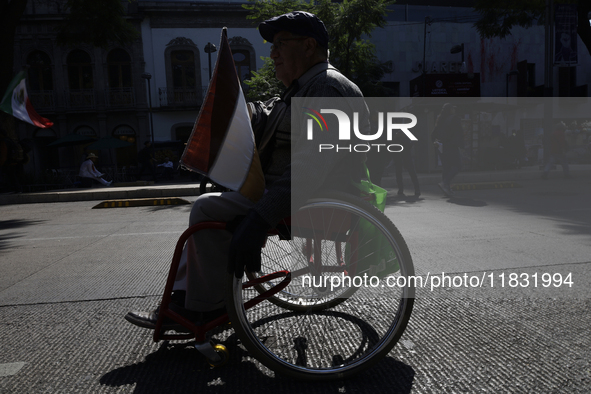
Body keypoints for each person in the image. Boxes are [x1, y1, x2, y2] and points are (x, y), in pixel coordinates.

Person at [125, 11, 369, 330]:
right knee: (214, 207)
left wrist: (260, 216)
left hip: (316, 201)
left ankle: (202, 309)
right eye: (272, 45)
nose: (273, 52)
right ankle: (190, 300)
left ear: (309, 46)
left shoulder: (325, 89)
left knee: (206, 209)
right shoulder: (305, 88)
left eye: (281, 43)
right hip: (306, 196)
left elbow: (310, 169)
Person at [432, 103, 463, 197]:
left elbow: (434, 133)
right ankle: (445, 183)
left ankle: (447, 190)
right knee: (458, 166)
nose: (454, 110)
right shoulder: (454, 119)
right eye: (453, 108)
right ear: (450, 110)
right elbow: (459, 133)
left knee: (446, 167)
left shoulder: (440, 119)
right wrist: (461, 145)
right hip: (451, 146)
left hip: (441, 146)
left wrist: (434, 141)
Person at [392, 130, 420, 198]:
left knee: (412, 172)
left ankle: (417, 189)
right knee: (398, 173)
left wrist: (404, 137)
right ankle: (400, 189)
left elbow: (411, 143)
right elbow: (391, 144)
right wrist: (395, 137)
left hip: (407, 155)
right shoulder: (393, 132)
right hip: (398, 155)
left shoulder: (407, 133)